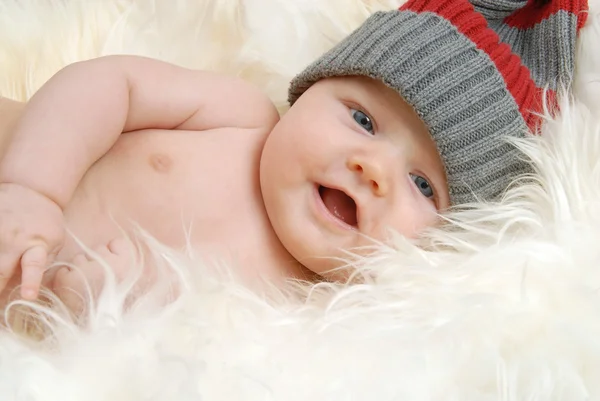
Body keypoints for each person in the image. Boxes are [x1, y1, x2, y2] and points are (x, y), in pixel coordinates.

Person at [0, 0, 587, 313]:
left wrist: (99, 308)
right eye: (362, 119)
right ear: (309, 90)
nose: (373, 169)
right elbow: (105, 85)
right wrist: (33, 189)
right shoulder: (239, 116)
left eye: (423, 184)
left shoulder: (313, 310)